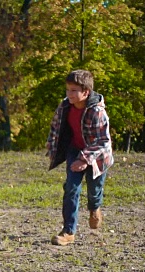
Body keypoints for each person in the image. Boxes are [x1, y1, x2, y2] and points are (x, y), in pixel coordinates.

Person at [45, 69, 114, 246]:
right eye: (68, 90)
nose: (70, 94)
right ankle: (68, 231)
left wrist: (85, 160)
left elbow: (103, 141)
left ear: (86, 92)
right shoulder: (65, 106)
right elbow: (56, 126)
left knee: (94, 190)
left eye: (74, 90)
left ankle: (95, 208)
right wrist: (52, 145)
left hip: (97, 156)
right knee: (71, 188)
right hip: (75, 150)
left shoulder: (97, 112)